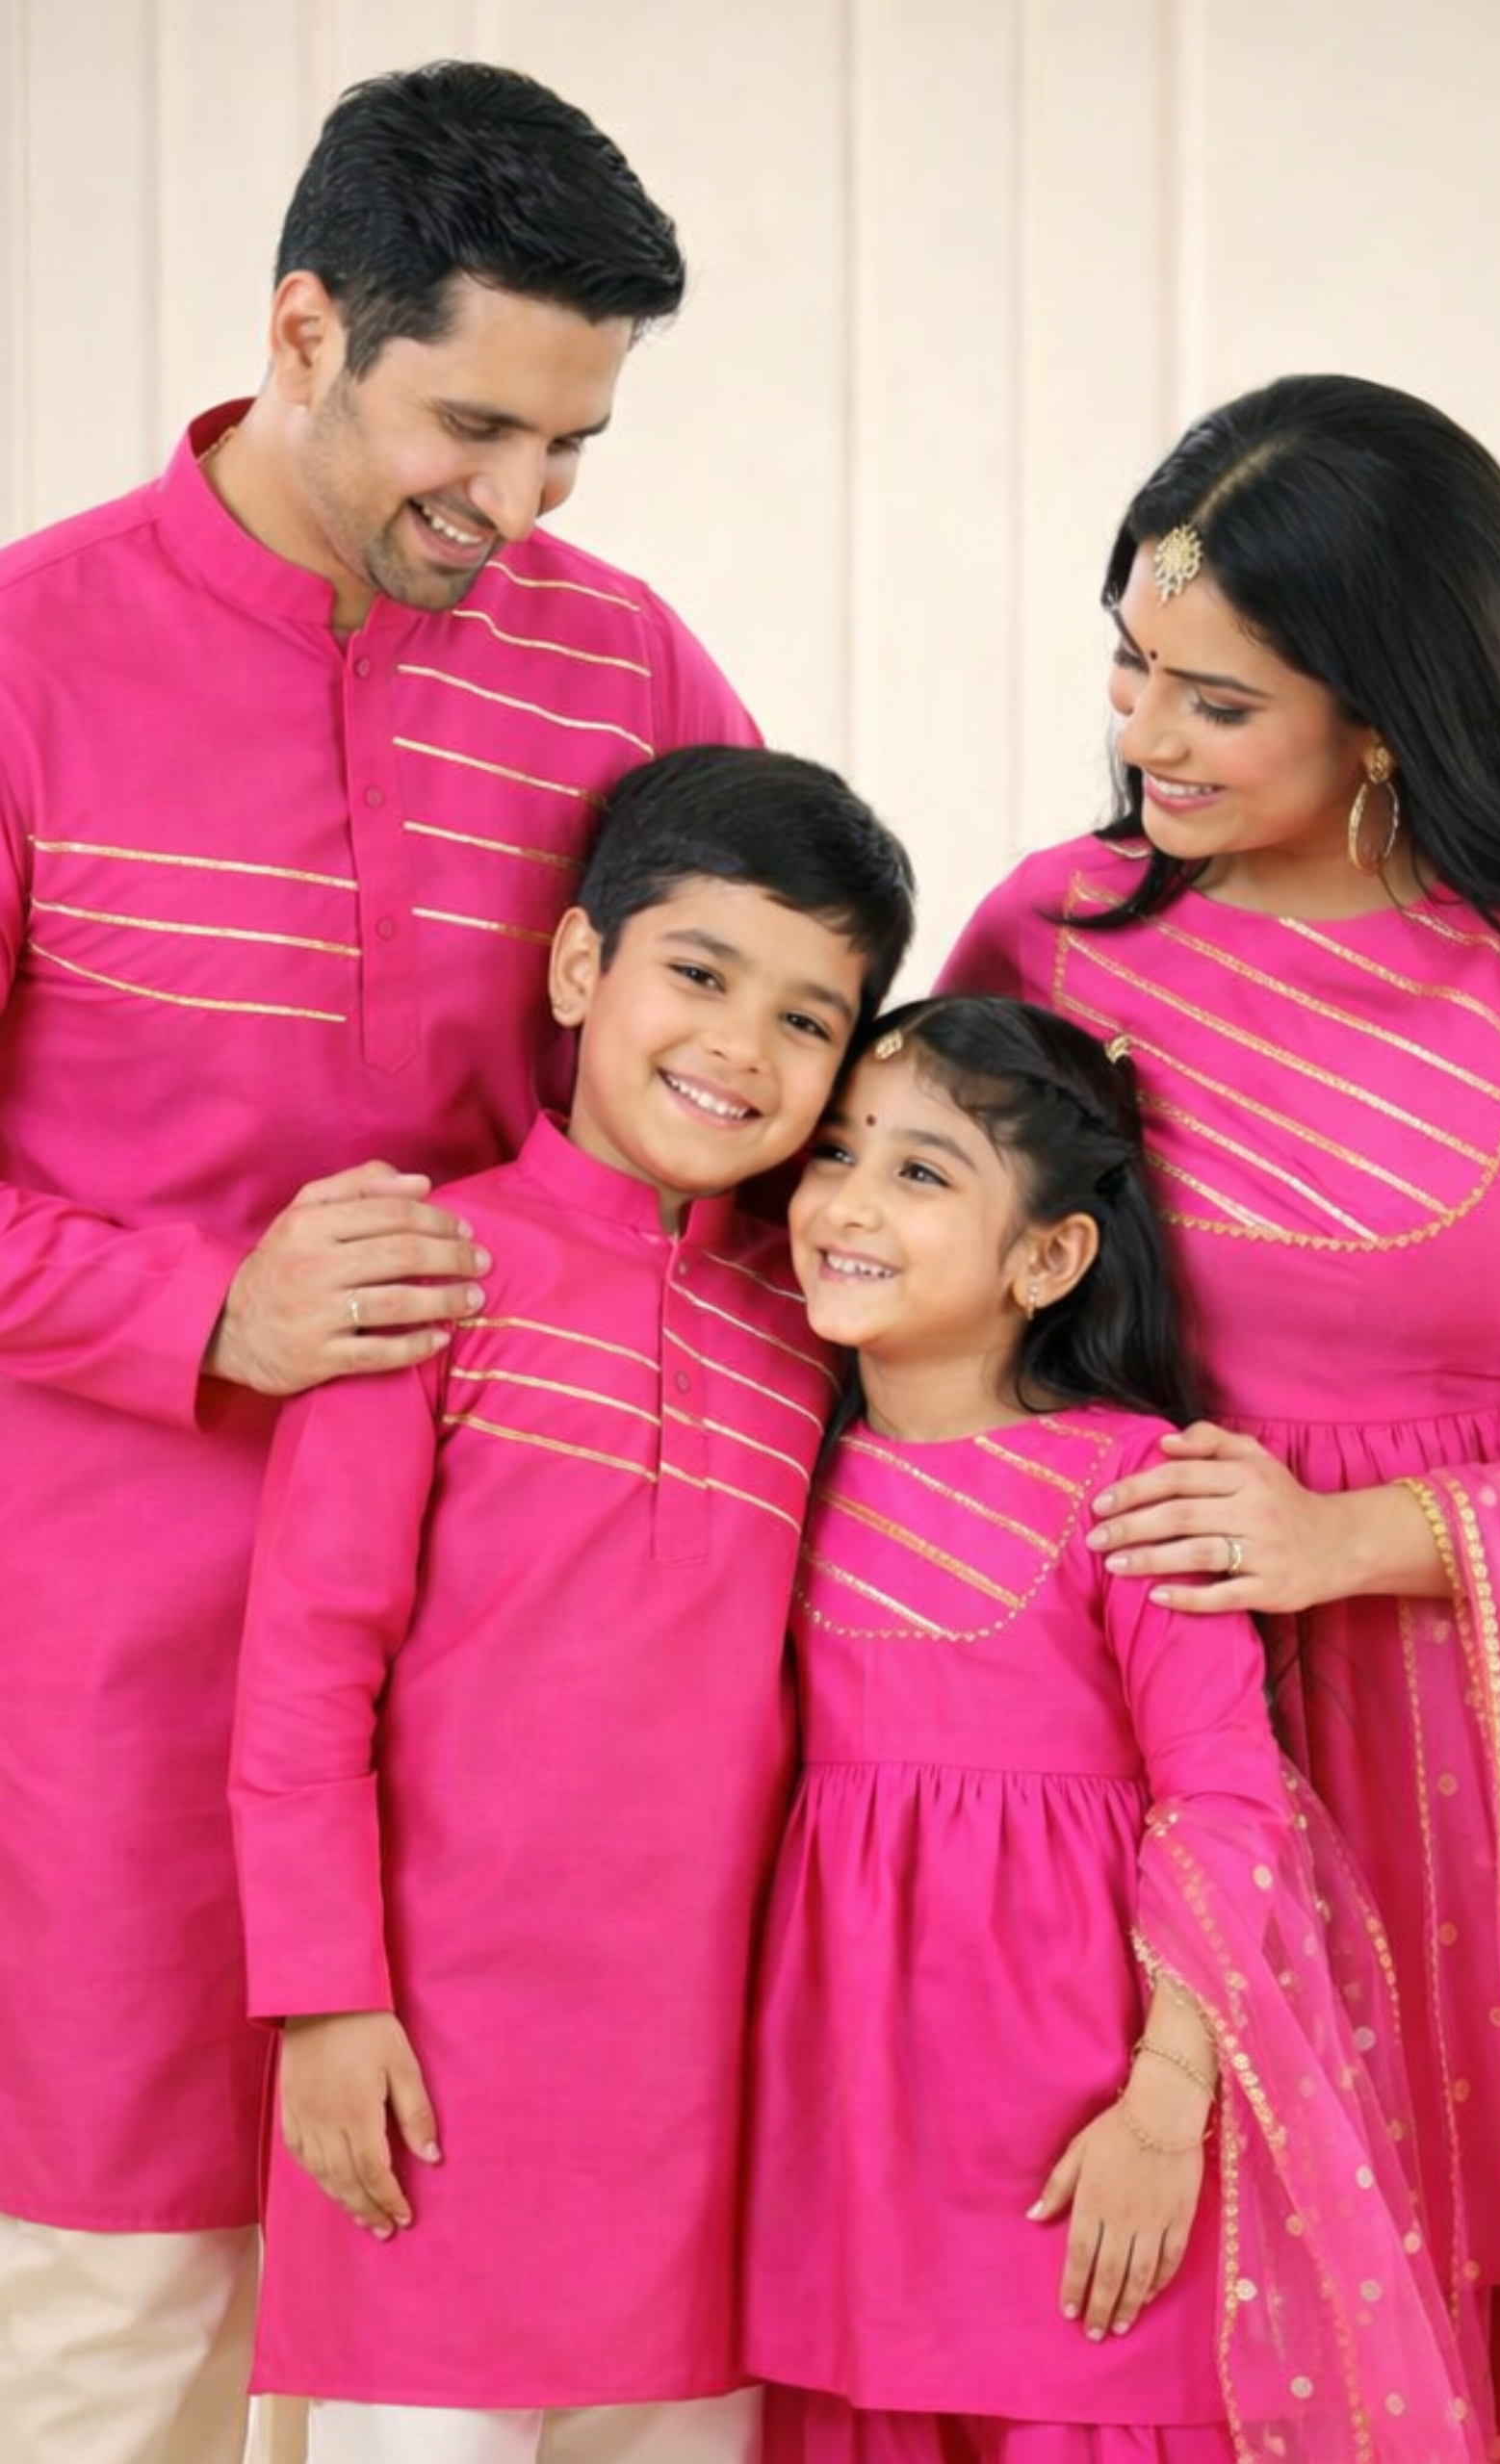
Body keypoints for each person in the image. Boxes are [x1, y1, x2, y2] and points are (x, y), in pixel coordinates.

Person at [0, 60, 758, 2464]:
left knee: (471, 2343)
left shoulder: (618, 665)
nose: (517, 506)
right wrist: (196, 1307)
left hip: (512, 1711)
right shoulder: (29, 655)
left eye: (572, 446)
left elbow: (767, 1062)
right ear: (307, 329)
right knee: (129, 2316)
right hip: (113, 1671)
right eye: (474, 427)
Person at [939, 372, 1500, 2459]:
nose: (1144, 735)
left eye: (1218, 701)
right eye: (1132, 669)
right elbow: (905, 1291)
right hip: (1145, 1740)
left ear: (1391, 709)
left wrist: (1358, 1541)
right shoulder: (1054, 934)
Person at [229, 745, 916, 2464]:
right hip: (428, 2070)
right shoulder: (426, 1271)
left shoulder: (820, 1330)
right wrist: (322, 1999)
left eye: (806, 1019)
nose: (739, 1048)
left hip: (708, 2088)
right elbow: (308, 1669)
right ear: (578, 967)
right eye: (699, 974)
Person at [742, 993, 1482, 2464]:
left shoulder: (1133, 1487)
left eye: (919, 1170)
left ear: (1048, 1258)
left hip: (1085, 2128)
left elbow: (1224, 1801)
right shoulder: (777, 1462)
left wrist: (1163, 2105)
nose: (847, 1202)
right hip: (848, 2139)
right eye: (834, 1152)